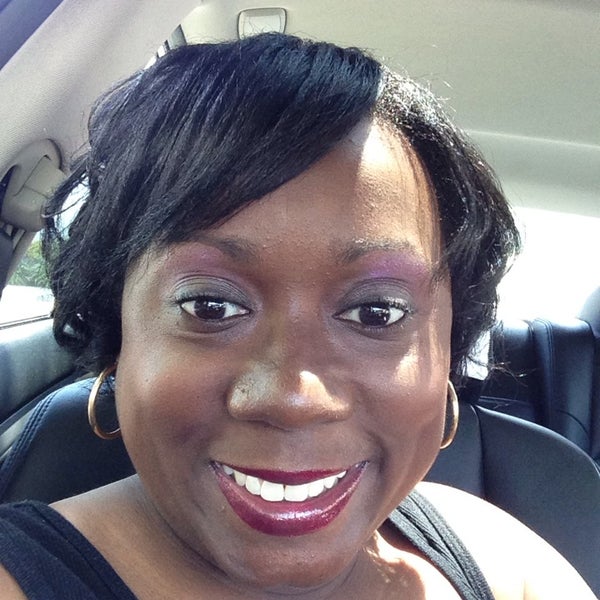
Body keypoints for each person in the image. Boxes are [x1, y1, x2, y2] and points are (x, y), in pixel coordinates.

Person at [0, 33, 595, 599]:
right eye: (210, 306)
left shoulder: (503, 562)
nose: (294, 398)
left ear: (447, 355)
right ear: (117, 339)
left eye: (377, 312)